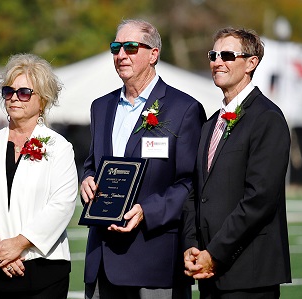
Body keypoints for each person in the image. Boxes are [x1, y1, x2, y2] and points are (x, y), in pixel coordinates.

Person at [80, 19, 206, 299]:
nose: (121, 54)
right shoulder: (101, 107)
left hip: (154, 260)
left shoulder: (184, 109)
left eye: (131, 47)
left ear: (154, 54)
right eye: (116, 47)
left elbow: (190, 182)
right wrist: (86, 179)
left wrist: (147, 210)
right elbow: (93, 163)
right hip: (102, 259)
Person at [183, 27, 292, 298]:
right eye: (213, 54)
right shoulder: (210, 124)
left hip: (249, 275)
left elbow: (260, 200)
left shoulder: (267, 118)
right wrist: (191, 245)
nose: (217, 61)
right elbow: (196, 192)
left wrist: (215, 253)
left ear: (251, 63)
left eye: (228, 55)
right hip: (209, 273)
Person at [0, 53, 78, 299]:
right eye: (8, 91)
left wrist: (19, 244)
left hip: (44, 271)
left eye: (24, 92)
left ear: (42, 100)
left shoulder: (59, 146)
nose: (14, 97)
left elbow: (62, 205)